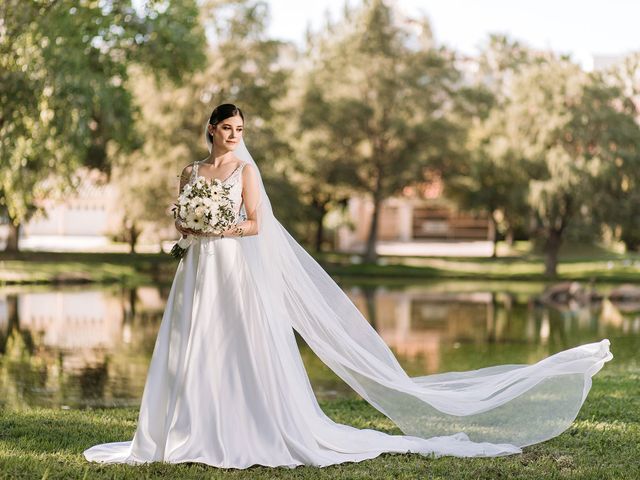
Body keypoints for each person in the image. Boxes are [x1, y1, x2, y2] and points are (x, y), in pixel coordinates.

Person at [83, 103, 613, 469]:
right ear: (211, 129)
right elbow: (179, 223)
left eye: (241, 130)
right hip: (197, 269)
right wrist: (193, 224)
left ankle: (243, 427)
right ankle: (185, 428)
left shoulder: (245, 171)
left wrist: (218, 227)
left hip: (231, 269)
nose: (235, 136)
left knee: (233, 344)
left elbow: (256, 226)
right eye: (228, 129)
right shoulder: (191, 170)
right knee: (192, 344)